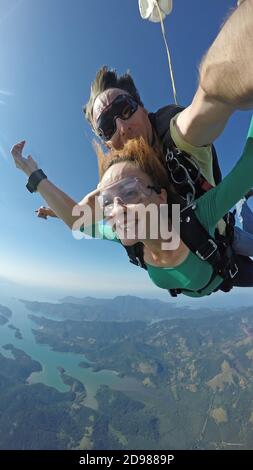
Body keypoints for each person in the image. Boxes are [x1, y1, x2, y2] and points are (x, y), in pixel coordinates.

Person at [10, 116, 253, 298]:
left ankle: (243, 208)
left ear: (160, 198)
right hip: (217, 278)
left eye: (129, 192)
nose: (117, 209)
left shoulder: (196, 218)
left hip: (229, 264)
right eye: (107, 202)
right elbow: (76, 221)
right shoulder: (128, 238)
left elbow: (249, 165)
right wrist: (31, 173)